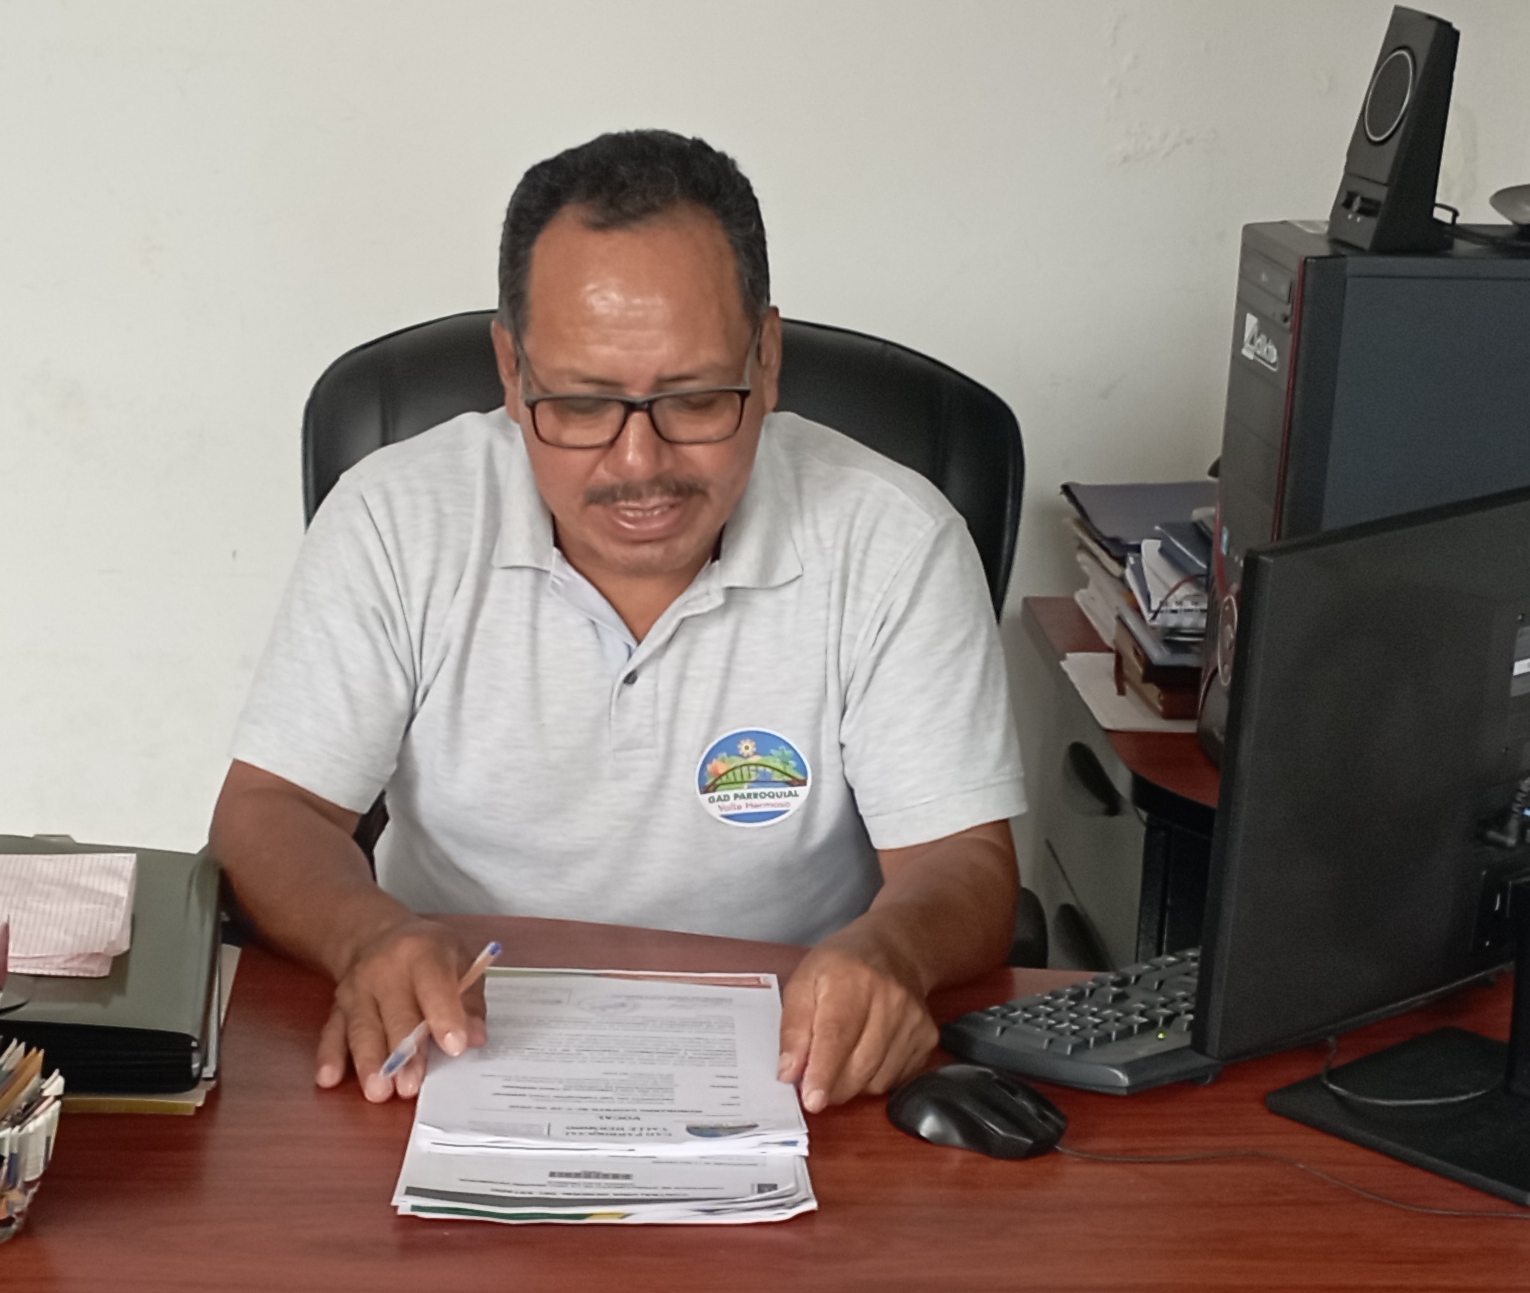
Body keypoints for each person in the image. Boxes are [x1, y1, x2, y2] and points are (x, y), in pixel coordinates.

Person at [214, 129, 1024, 1111]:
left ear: (767, 360)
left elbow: (962, 862)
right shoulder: (398, 516)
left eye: (696, 399)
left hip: (793, 1064)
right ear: (512, 370)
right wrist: (368, 937)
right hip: (453, 1044)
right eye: (583, 404)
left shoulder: (892, 537)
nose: (640, 465)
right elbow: (272, 810)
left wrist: (892, 953)